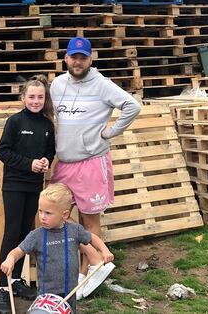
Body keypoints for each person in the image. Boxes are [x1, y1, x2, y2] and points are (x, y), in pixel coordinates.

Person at [49, 36, 141, 298]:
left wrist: (111, 132)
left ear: (90, 59)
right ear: (66, 59)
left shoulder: (102, 85)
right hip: (65, 163)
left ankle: (87, 273)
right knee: (61, 217)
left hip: (91, 161)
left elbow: (132, 106)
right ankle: (74, 268)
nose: (78, 62)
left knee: (90, 220)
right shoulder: (58, 85)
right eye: (73, 57)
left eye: (83, 58)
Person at [0, 183, 114, 313]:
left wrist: (105, 250)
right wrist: (10, 259)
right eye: (40, 211)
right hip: (46, 294)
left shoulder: (75, 230)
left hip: (71, 292)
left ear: (64, 215)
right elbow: (18, 251)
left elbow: (92, 238)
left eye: (48, 213)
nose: (42, 216)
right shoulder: (36, 236)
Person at [0, 75, 56, 314]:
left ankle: (16, 281)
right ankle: (2, 289)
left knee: (26, 232)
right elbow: (3, 152)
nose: (36, 101)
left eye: (40, 97)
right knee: (11, 232)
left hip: (34, 185)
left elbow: (50, 152)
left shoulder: (47, 125)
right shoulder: (14, 122)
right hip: (14, 184)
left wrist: (45, 161)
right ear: (23, 98)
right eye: (31, 96)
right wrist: (28, 164)